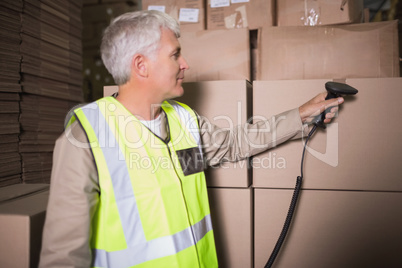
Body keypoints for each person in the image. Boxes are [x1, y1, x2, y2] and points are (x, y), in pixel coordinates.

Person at [39, 10, 343, 268]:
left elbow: (234, 143)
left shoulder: (183, 120)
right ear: (141, 65)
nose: (185, 64)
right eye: (175, 54)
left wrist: (302, 114)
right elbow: (64, 255)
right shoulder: (86, 136)